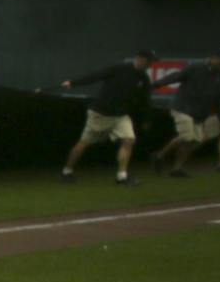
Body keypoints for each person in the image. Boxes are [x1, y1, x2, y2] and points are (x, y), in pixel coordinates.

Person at [59, 49, 157, 186]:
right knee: (84, 142)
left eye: (151, 62)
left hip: (120, 116)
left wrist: (147, 118)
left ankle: (121, 177)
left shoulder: (144, 79)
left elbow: (145, 100)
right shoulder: (119, 69)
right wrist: (73, 83)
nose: (150, 65)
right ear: (140, 59)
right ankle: (67, 171)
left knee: (129, 140)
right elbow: (96, 76)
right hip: (100, 114)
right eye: (148, 62)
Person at [148, 47, 220, 178]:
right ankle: (159, 156)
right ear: (215, 58)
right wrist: (156, 84)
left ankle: (175, 167)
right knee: (187, 137)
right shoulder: (196, 67)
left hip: (199, 113)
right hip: (182, 107)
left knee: (195, 141)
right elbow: (176, 76)